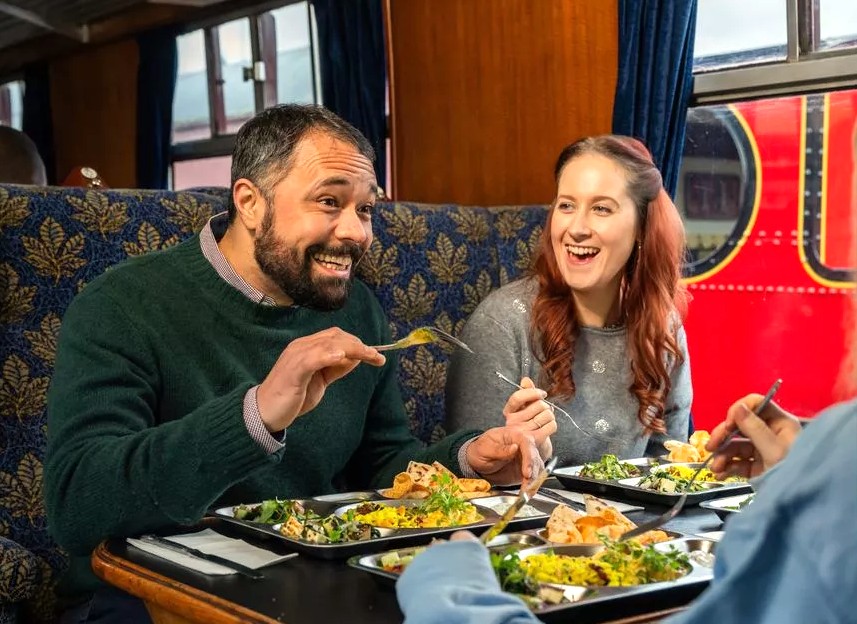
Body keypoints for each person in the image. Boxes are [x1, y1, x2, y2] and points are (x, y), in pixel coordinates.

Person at [44, 104, 555, 621]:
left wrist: (467, 461)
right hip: (142, 594)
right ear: (250, 203)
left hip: (311, 586)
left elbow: (382, 464)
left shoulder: (357, 309)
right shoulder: (121, 306)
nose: (356, 232)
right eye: (329, 201)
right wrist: (256, 415)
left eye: (365, 209)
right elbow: (78, 505)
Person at [445, 135, 691, 465]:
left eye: (601, 208)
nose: (577, 228)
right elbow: (464, 476)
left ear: (641, 228)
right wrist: (519, 459)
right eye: (566, 205)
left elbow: (671, 468)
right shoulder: (502, 323)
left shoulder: (663, 328)